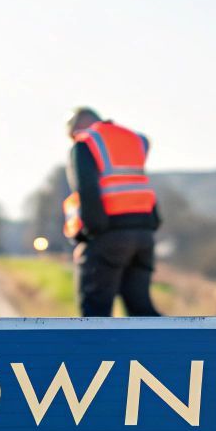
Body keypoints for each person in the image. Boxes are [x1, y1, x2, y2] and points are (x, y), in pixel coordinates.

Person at [62, 107, 161, 316]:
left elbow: (87, 191)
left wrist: (88, 237)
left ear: (78, 126)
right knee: (141, 309)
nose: (73, 139)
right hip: (144, 233)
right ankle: (178, 338)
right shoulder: (135, 139)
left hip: (108, 233)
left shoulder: (85, 143)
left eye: (72, 135)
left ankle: (99, 344)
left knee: (95, 311)